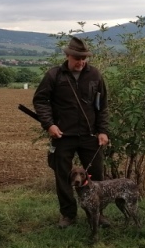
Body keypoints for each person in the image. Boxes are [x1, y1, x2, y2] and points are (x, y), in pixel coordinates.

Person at [33, 36, 110, 228]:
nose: (81, 62)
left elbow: (102, 106)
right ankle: (68, 215)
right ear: (67, 55)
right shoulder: (54, 75)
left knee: (96, 175)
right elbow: (40, 101)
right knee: (63, 177)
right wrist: (49, 125)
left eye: (84, 58)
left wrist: (103, 131)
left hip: (90, 136)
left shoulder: (95, 75)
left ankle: (97, 214)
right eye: (77, 58)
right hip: (62, 135)